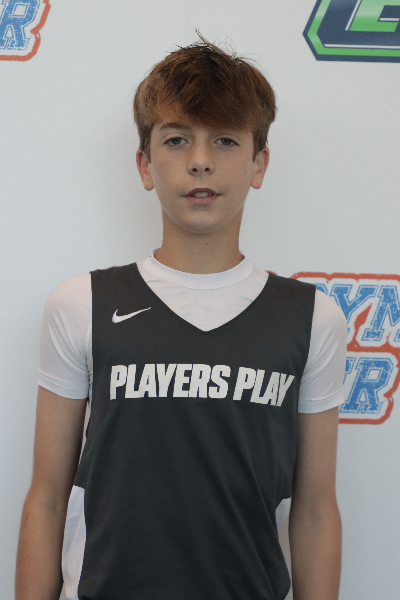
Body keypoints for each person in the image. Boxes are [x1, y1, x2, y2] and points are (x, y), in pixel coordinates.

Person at [16, 36, 347, 600]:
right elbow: (47, 496)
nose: (200, 159)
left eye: (225, 139)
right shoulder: (81, 303)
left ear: (259, 163)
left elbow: (315, 508)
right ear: (145, 165)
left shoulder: (312, 317)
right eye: (176, 139)